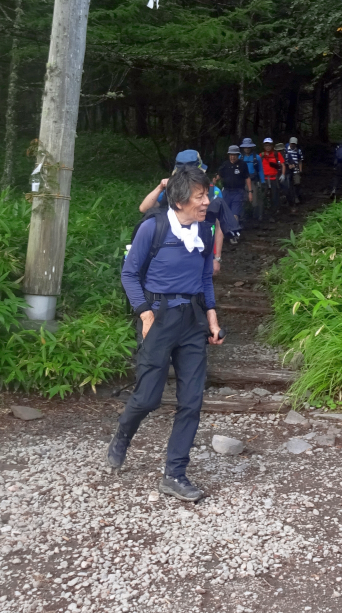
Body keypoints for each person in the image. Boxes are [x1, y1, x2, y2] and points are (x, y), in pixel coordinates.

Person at [108, 164, 223, 502]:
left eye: (207, 195)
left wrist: (213, 319)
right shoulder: (153, 228)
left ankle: (175, 473)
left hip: (192, 320)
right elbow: (129, 274)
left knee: (192, 401)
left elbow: (204, 280)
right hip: (157, 318)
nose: (206, 202)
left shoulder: (203, 231)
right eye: (200, 196)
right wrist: (144, 312)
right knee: (148, 398)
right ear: (179, 199)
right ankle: (122, 436)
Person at [139, 149, 239, 274]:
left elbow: (218, 226)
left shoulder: (213, 192)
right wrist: (160, 187)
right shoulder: (173, 191)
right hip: (174, 248)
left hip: (203, 246)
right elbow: (144, 208)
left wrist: (216, 257)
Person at [216, 145, 252, 232]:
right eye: (231, 155)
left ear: (238, 155)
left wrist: (250, 192)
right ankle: (223, 231)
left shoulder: (242, 165)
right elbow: (218, 176)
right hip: (226, 192)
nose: (233, 157)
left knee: (235, 213)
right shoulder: (225, 164)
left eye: (235, 155)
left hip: (238, 192)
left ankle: (233, 232)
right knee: (224, 211)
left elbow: (247, 178)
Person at [239, 138, 265, 224]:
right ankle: (243, 217)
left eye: (248, 147)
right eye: (245, 147)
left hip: (253, 180)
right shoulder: (240, 157)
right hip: (242, 181)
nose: (247, 149)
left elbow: (260, 170)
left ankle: (256, 217)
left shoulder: (257, 157)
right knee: (242, 200)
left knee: (255, 201)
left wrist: (263, 181)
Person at [260, 137, 284, 214]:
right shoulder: (261, 155)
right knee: (263, 195)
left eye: (269, 145)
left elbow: (283, 165)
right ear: (264, 146)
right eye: (266, 145)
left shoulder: (277, 154)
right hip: (264, 178)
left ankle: (274, 211)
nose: (268, 147)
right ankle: (263, 211)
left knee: (275, 195)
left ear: (272, 146)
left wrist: (283, 174)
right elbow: (257, 166)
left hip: (274, 178)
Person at [284, 135, 304, 209]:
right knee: (288, 185)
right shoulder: (285, 150)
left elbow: (300, 161)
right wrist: (288, 165)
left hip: (296, 170)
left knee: (297, 183)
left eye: (294, 143)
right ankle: (289, 199)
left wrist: (300, 170)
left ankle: (297, 197)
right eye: (292, 143)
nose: (293, 145)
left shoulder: (298, 151)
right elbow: (284, 160)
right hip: (288, 170)